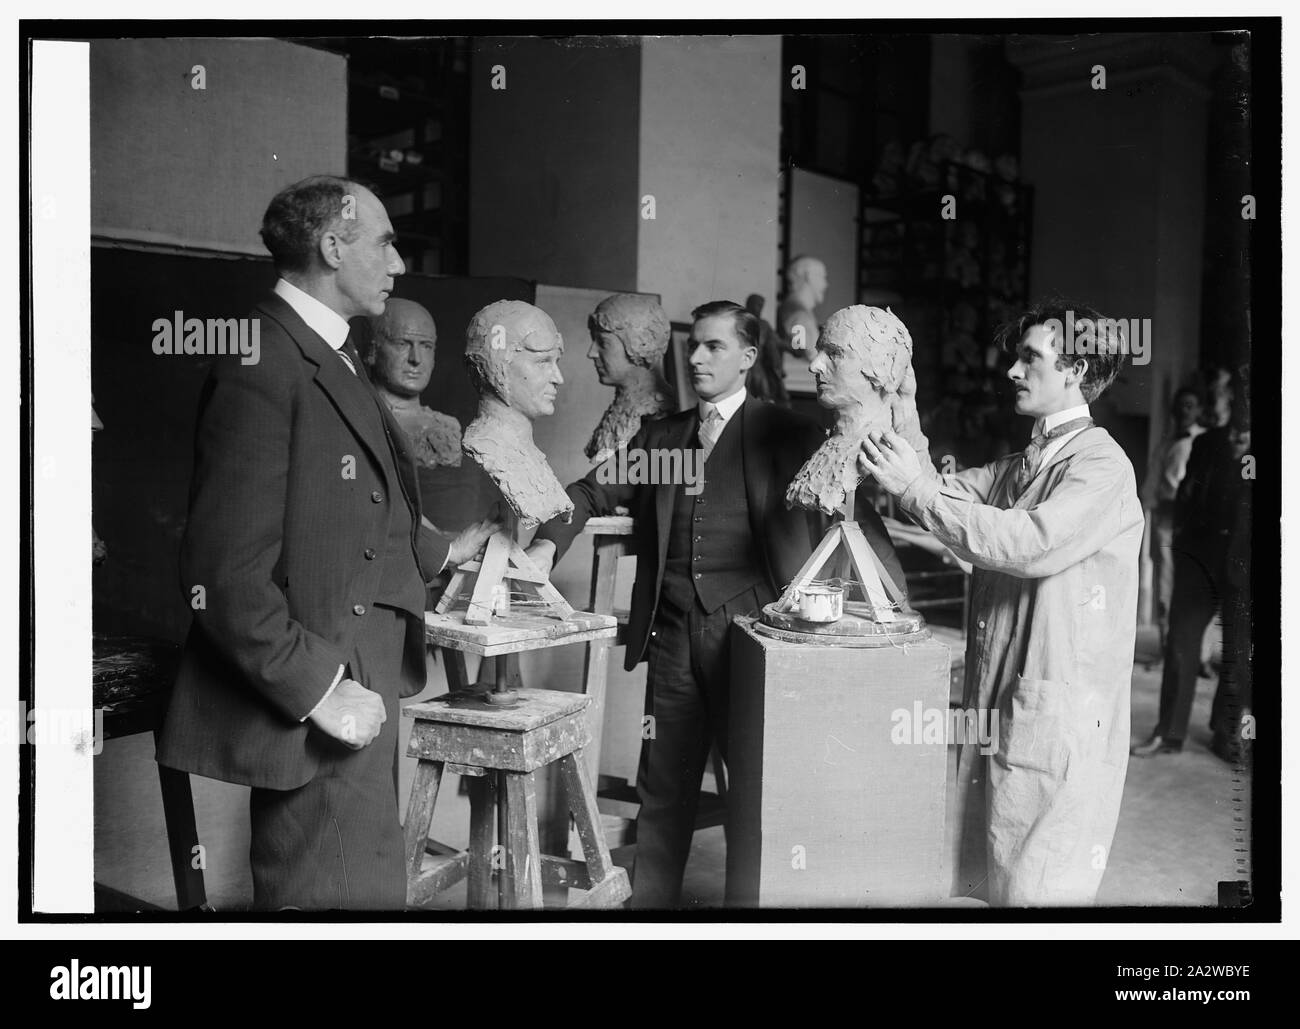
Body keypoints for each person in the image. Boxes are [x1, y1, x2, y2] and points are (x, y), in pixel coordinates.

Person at [156, 175, 497, 910]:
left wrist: (440, 554)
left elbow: (351, 507)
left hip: (359, 673)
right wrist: (319, 690)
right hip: (321, 691)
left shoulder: (326, 349)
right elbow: (221, 573)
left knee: (365, 887)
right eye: (384, 241)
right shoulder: (264, 361)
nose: (398, 261)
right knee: (334, 894)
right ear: (332, 246)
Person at [526, 299, 908, 908]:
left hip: (755, 641)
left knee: (758, 793)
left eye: (715, 347)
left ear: (748, 358)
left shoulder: (786, 432)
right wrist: (547, 545)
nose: (698, 358)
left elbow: (854, 512)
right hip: (674, 635)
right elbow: (591, 491)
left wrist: (890, 605)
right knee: (664, 790)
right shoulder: (666, 439)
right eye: (693, 347)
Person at [859, 300, 1143, 906]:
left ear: (1076, 369)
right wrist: (902, 407)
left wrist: (916, 489)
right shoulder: (1021, 465)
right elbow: (935, 494)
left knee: (1037, 891)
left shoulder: (1101, 466)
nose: (1012, 371)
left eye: (1029, 357)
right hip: (1001, 702)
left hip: (1057, 710)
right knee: (986, 881)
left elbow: (1028, 542)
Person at [1132, 372, 1252, 763]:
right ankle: (1169, 732)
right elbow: (1185, 498)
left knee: (1238, 652)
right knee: (1181, 643)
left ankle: (1225, 731)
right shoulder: (1205, 444)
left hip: (1246, 563)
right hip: (1199, 556)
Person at [1140, 387, 1205, 647]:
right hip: (1167, 518)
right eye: (1180, 405)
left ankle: (1196, 651)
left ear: (1200, 409)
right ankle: (1168, 646)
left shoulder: (1204, 441)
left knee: (1195, 581)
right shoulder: (1166, 444)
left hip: (1195, 521)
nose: (1184, 410)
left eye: (1190, 404)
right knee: (1166, 580)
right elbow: (1152, 485)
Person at [365, 297, 462, 469]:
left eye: (426, 346)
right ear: (373, 350)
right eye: (402, 344)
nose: (415, 359)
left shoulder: (448, 427)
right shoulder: (361, 421)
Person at [585, 293, 675, 463]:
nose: (592, 353)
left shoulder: (658, 417)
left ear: (640, 345)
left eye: (603, 343)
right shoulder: (623, 406)